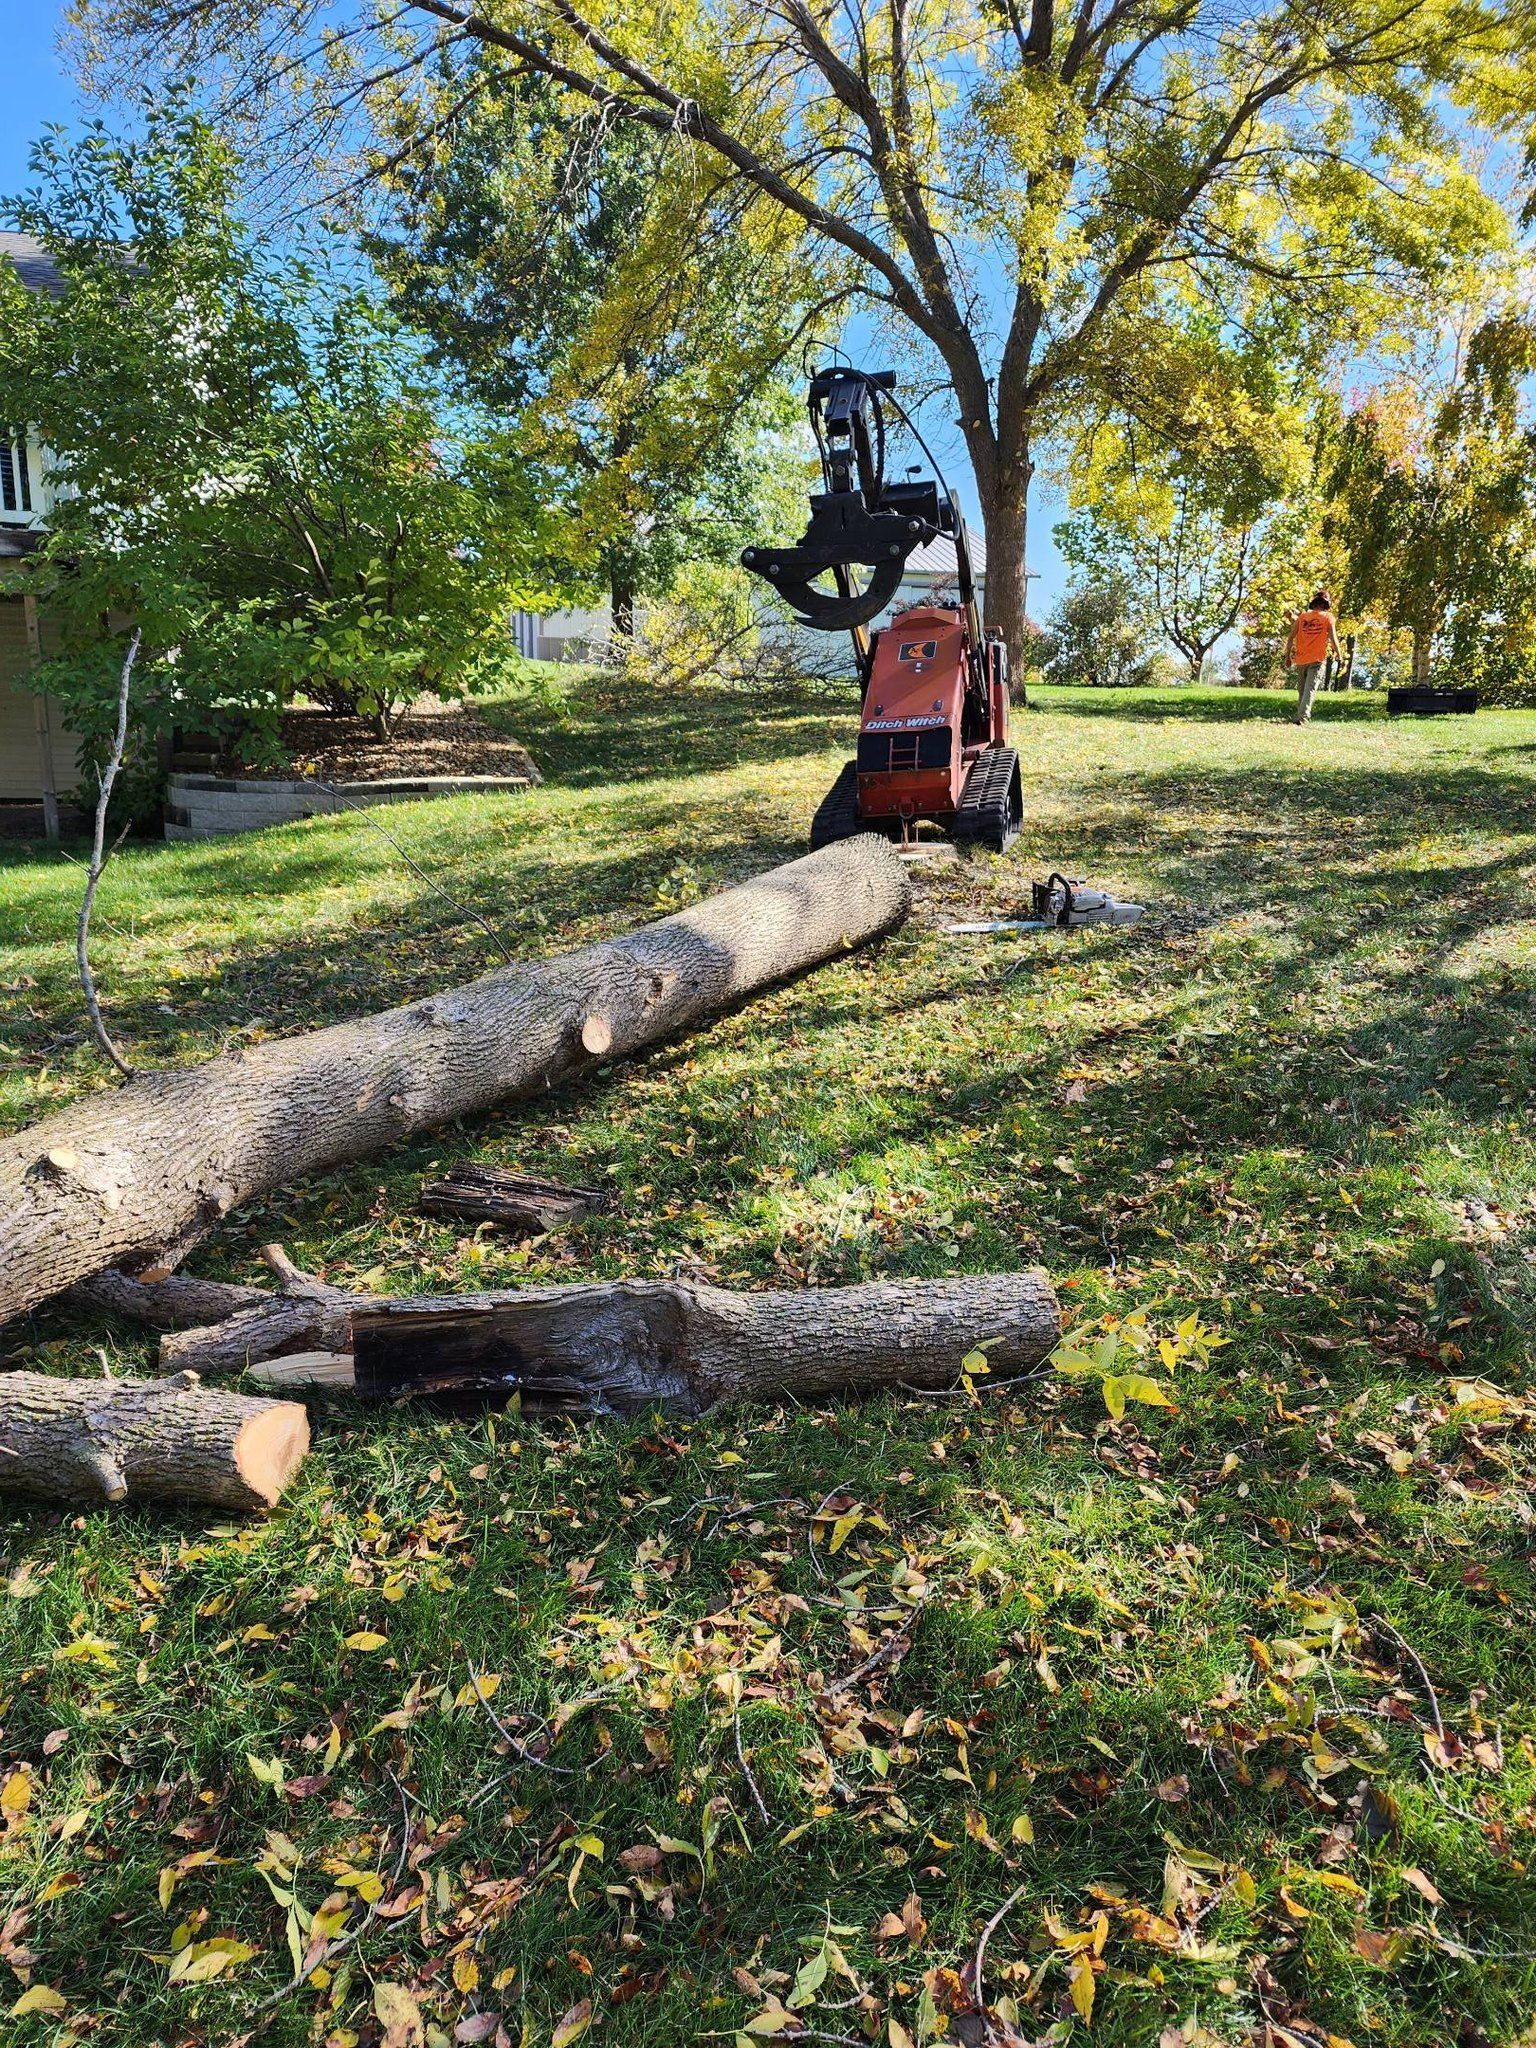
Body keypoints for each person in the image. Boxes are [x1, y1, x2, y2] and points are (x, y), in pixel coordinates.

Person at [1284, 590, 1344, 724]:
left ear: (1314, 602)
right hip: (1317, 659)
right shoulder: (1328, 617)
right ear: (1326, 604)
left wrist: (1287, 657)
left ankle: (1300, 717)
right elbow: (1333, 638)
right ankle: (1302, 718)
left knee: (1302, 689)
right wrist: (1339, 654)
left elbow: (1290, 638)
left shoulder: (1302, 617)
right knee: (1309, 689)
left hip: (1300, 660)